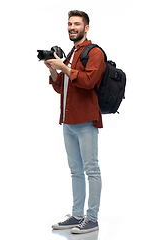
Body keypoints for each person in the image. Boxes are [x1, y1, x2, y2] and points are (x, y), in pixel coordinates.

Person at [44, 10, 106, 234]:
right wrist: (54, 70)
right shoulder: (70, 54)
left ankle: (92, 218)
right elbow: (62, 86)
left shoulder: (95, 52)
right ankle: (77, 214)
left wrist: (64, 68)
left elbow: (88, 81)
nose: (72, 27)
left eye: (77, 24)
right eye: (70, 23)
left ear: (86, 27)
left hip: (86, 121)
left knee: (91, 170)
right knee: (75, 171)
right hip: (68, 121)